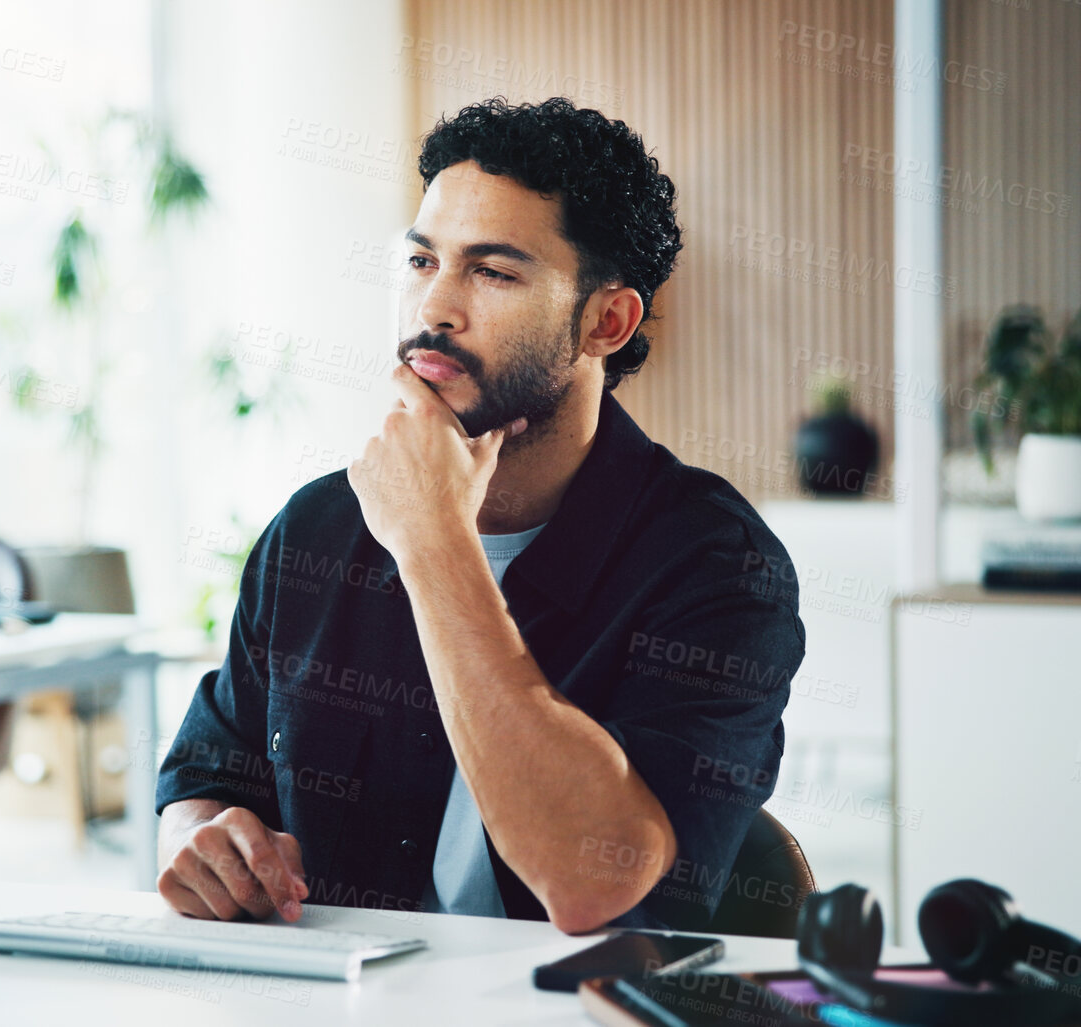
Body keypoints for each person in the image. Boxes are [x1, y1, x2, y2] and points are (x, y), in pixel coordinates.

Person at [154, 98, 804, 933]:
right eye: (423, 262)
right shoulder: (316, 529)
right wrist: (206, 844)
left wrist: (434, 542)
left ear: (606, 321)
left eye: (493, 272)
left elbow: (594, 884)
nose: (435, 310)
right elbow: (208, 773)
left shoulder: (716, 565)